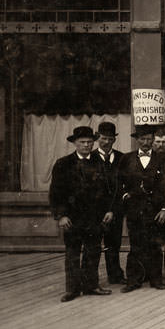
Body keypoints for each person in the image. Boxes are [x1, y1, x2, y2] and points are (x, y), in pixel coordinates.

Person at [49, 126, 116, 302]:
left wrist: (109, 209)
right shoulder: (63, 164)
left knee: (93, 251)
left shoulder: (100, 162)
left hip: (95, 217)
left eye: (89, 142)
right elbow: (56, 193)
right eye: (82, 142)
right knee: (72, 253)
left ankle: (91, 285)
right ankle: (72, 289)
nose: (86, 145)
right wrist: (61, 216)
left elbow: (110, 190)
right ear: (75, 143)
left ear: (93, 142)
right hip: (72, 218)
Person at [120, 125, 165, 292]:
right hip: (135, 211)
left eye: (149, 139)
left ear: (153, 140)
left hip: (156, 211)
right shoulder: (126, 159)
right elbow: (118, 183)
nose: (146, 142)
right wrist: (125, 196)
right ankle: (133, 280)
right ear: (137, 140)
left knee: (155, 245)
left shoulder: (163, 160)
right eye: (142, 139)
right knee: (136, 245)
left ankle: (156, 279)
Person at [94, 121, 126, 285]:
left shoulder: (122, 158)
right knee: (92, 246)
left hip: (115, 210)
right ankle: (91, 280)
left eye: (110, 139)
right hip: (94, 211)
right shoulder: (90, 158)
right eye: (103, 138)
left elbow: (123, 188)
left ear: (114, 140)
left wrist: (113, 210)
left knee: (114, 244)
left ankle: (115, 275)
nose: (106, 142)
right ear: (97, 138)